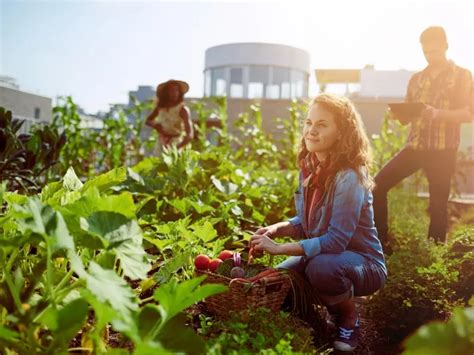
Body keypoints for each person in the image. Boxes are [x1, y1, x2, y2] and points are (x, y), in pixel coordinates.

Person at [249, 93, 387, 352]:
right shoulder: (310, 167)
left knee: (322, 269)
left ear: (341, 132)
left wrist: (278, 248)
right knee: (279, 279)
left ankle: (347, 319)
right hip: (327, 254)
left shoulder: (350, 177)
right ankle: (316, 317)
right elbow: (306, 220)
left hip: (363, 263)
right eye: (308, 122)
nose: (311, 131)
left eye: (322, 124)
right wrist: (277, 229)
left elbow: (335, 242)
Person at [373, 26, 473, 248]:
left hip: (443, 150)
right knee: (377, 185)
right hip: (415, 147)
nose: (430, 57)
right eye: (426, 52)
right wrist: (398, 114)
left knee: (437, 204)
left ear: (446, 46)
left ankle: (434, 253)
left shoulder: (462, 76)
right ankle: (380, 243)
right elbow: (408, 118)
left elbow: (469, 113)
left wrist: (437, 114)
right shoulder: (416, 79)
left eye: (435, 52)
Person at [145, 79, 194, 150]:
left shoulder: (182, 109)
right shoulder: (160, 108)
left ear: (179, 92)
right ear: (166, 92)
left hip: (176, 142)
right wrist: (156, 126)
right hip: (161, 141)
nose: (174, 93)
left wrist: (178, 146)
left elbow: (190, 134)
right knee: (157, 160)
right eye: (171, 90)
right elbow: (148, 120)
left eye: (176, 90)